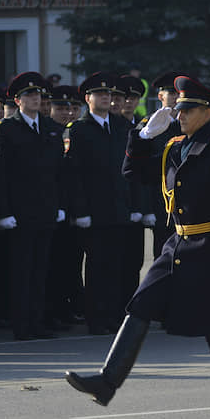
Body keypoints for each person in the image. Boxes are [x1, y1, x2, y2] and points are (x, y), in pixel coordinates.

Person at [65, 76, 210, 419]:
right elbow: (133, 173)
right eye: (178, 109)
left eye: (188, 110)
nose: (179, 115)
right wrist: (141, 136)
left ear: (207, 111)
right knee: (141, 303)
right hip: (178, 245)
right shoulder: (175, 147)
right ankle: (107, 381)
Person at [0, 72, 66, 340]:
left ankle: (36, 323)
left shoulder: (50, 128)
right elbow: (1, 175)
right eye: (29, 95)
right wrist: (4, 213)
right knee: (21, 272)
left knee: (40, 270)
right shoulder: (7, 129)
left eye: (38, 95)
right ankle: (21, 326)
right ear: (18, 100)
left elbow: (58, 173)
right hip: (19, 213)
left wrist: (60, 205)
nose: (36, 99)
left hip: (46, 209)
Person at [63, 72, 133, 334]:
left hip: (118, 207)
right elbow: (75, 174)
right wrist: (80, 211)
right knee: (96, 267)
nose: (106, 98)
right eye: (100, 94)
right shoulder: (78, 130)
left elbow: (130, 169)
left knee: (116, 266)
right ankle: (96, 318)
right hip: (93, 210)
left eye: (109, 94)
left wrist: (133, 206)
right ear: (87, 98)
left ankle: (113, 316)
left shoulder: (121, 126)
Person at [46, 85, 85, 328]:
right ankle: (55, 310)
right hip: (53, 208)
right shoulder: (47, 132)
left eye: (72, 108)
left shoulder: (77, 132)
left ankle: (71, 307)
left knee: (72, 262)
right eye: (61, 108)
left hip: (76, 208)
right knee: (54, 264)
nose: (67, 112)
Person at [116, 75, 150, 310]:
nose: (129, 102)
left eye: (134, 97)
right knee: (114, 262)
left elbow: (146, 172)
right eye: (125, 97)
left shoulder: (144, 126)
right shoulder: (112, 126)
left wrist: (144, 208)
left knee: (135, 260)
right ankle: (114, 306)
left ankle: (131, 304)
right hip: (116, 205)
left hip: (137, 204)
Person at [141, 71, 182, 259]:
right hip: (160, 200)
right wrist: (147, 207)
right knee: (163, 254)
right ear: (160, 96)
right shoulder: (150, 125)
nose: (175, 98)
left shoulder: (188, 123)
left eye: (178, 94)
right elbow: (142, 167)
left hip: (185, 200)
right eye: (171, 94)